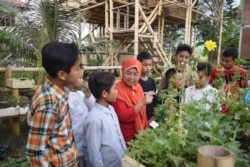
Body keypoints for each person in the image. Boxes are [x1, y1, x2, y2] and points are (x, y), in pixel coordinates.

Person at [25, 42, 81, 166]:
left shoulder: (58, 93)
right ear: (62, 74)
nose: (79, 72)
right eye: (77, 68)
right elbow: (35, 153)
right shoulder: (49, 103)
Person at [83, 72, 127, 167]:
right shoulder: (94, 119)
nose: (117, 91)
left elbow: (119, 135)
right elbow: (94, 153)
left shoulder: (111, 109)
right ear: (104, 93)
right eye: (115, 88)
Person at [111, 58, 154, 143]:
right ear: (122, 72)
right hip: (125, 133)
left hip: (140, 130)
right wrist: (142, 103)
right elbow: (123, 116)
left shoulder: (138, 87)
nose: (131, 77)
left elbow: (143, 114)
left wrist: (145, 128)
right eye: (128, 73)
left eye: (135, 74)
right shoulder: (117, 89)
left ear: (139, 74)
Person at [66, 76, 95, 167]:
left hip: (86, 141)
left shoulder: (80, 94)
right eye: (79, 77)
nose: (82, 80)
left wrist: (89, 96)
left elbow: (94, 109)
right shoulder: (66, 98)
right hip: (75, 144)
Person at [208, 47, 248, 114]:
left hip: (234, 108)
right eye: (222, 60)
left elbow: (244, 91)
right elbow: (211, 88)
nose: (224, 63)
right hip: (218, 106)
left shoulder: (242, 72)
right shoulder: (216, 70)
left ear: (235, 61)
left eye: (227, 61)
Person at [137, 51, 158, 121]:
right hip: (140, 118)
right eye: (145, 65)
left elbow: (155, 100)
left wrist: (154, 115)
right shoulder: (136, 82)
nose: (148, 68)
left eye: (150, 65)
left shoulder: (152, 81)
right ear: (138, 64)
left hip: (152, 117)